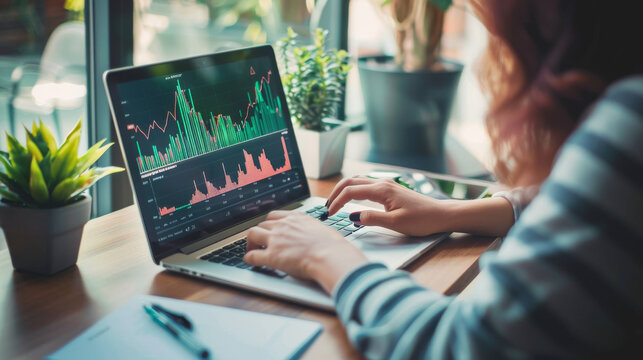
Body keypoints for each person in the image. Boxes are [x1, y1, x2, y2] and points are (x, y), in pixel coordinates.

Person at [244, 0, 643, 358]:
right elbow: (578, 204)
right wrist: (449, 213)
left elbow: (460, 345)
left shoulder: (632, 119)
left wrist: (327, 256)